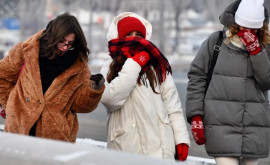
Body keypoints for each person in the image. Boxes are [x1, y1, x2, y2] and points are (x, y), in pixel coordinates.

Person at [186, 0, 270, 165]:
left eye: (254, 29)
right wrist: (195, 116)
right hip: (220, 126)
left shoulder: (266, 47)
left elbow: (266, 82)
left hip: (254, 126)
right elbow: (197, 77)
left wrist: (257, 52)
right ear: (236, 24)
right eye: (245, 28)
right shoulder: (216, 42)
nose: (249, 33)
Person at [0, 13, 105, 142]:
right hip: (18, 130)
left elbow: (81, 106)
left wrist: (93, 90)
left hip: (55, 138)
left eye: (70, 43)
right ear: (52, 36)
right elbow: (2, 77)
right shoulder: (25, 51)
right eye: (62, 41)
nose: (65, 47)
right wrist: (11, 106)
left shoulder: (79, 66)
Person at [100, 12, 190, 160]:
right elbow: (111, 100)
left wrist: (181, 139)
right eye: (129, 34)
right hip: (126, 146)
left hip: (160, 146)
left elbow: (173, 106)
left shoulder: (158, 66)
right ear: (120, 37)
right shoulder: (109, 66)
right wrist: (135, 63)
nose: (135, 38)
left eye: (138, 35)